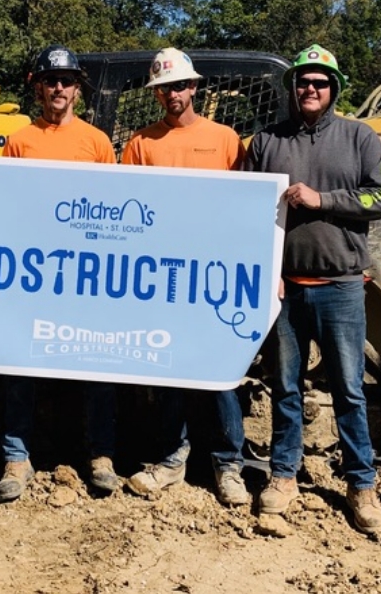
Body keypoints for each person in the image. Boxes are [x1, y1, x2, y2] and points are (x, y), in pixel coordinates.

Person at [246, 44, 381, 534]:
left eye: (320, 82)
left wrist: (321, 199)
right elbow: (246, 206)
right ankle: (284, 476)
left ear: (334, 90)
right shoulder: (267, 141)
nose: (311, 89)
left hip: (341, 288)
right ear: (293, 88)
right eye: (303, 81)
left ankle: (362, 486)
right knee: (285, 387)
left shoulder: (360, 137)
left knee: (349, 390)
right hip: (285, 289)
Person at [120, 47, 251, 507]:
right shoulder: (140, 144)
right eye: (163, 88)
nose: (172, 94)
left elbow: (246, 207)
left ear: (194, 87)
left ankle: (227, 465)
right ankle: (172, 459)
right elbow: (127, 214)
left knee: (220, 374)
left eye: (179, 85)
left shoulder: (225, 139)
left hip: (214, 275)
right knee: (169, 371)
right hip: (162, 278)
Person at [0, 44, 118, 502]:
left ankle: (100, 455)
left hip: (86, 277)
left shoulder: (97, 142)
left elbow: (111, 210)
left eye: (67, 81)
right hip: (33, 275)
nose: (59, 88)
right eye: (51, 80)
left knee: (98, 364)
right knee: (18, 365)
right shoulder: (19, 141)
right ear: (38, 88)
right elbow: (6, 202)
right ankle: (16, 456)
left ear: (77, 89)